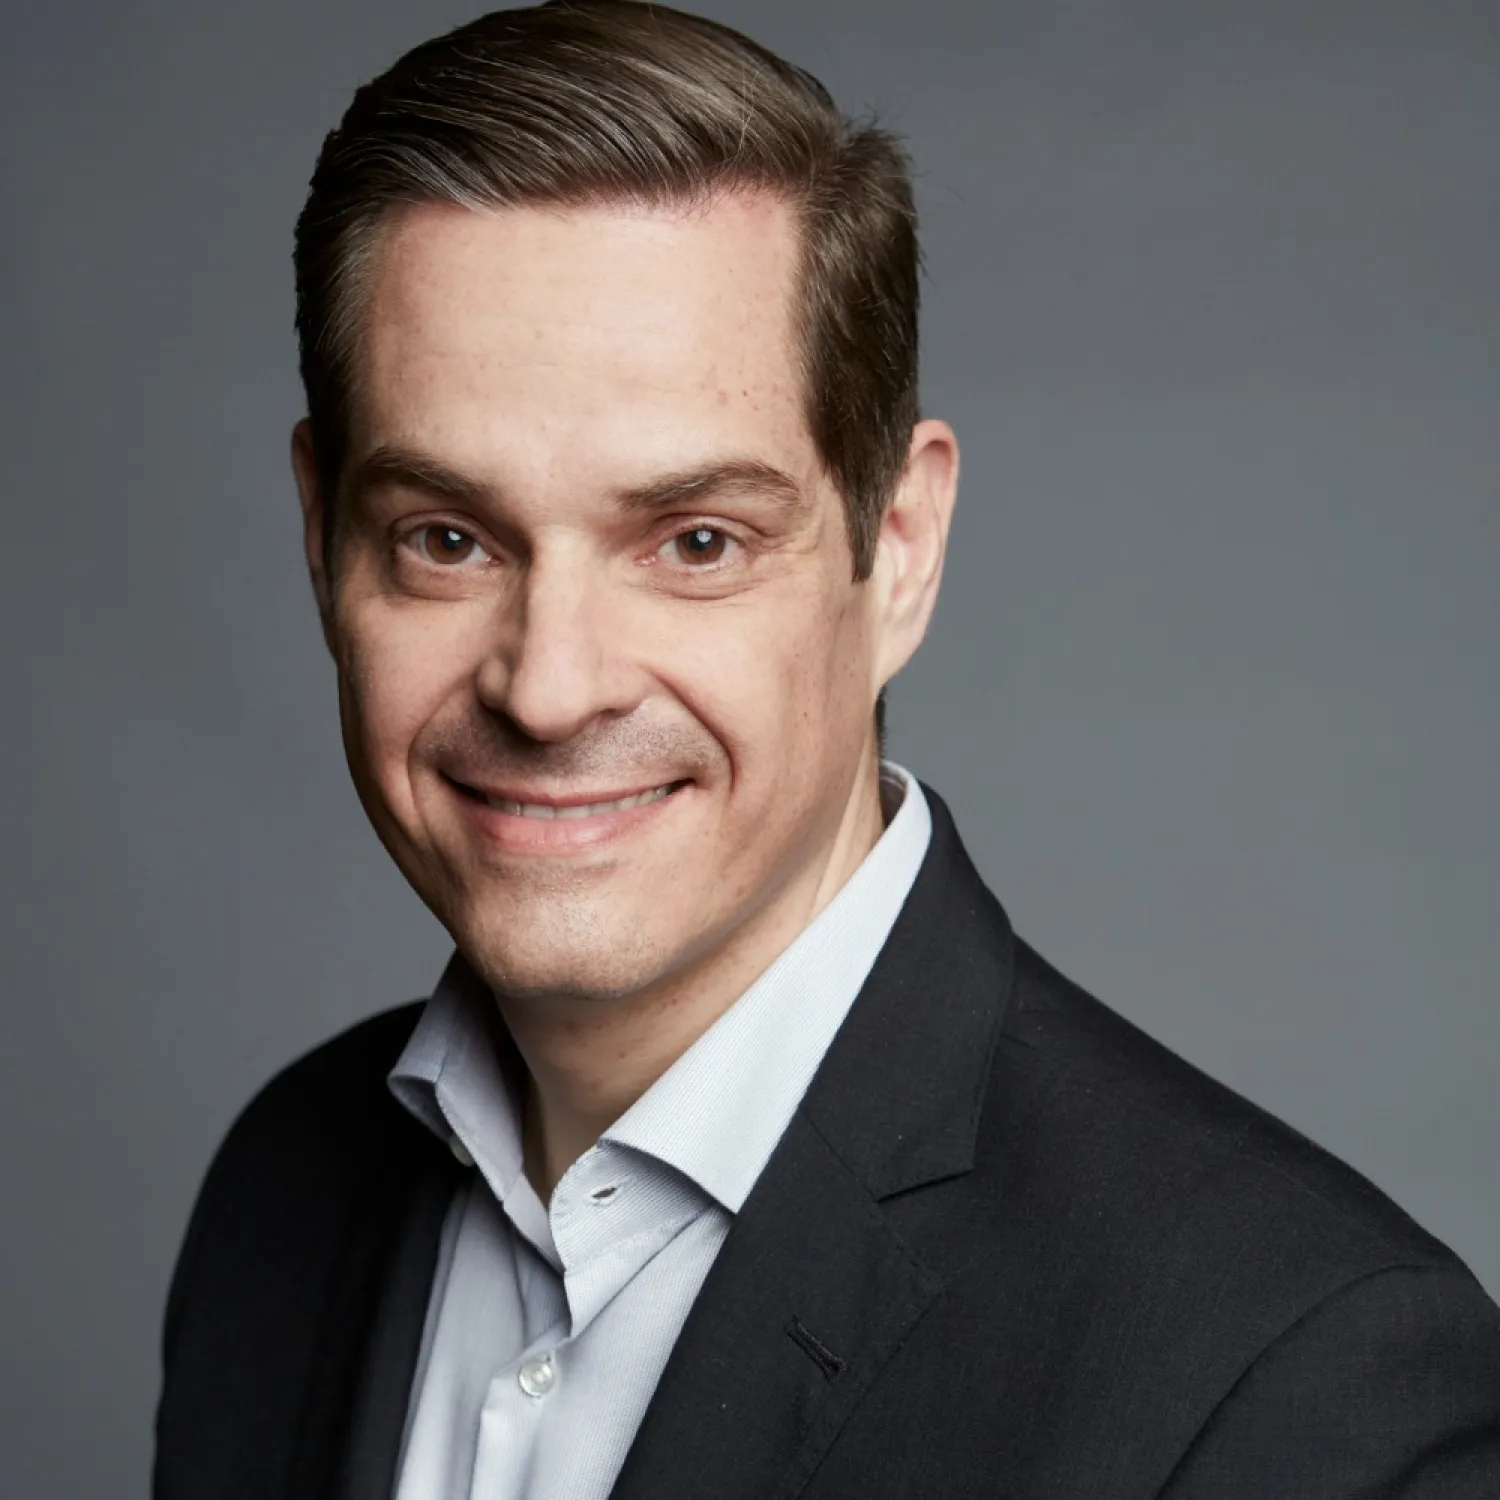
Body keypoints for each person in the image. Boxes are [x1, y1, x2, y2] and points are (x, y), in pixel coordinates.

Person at [152, 3, 1500, 1496]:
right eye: (448, 538)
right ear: (322, 539)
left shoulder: (1301, 1378)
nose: (549, 688)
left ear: (899, 548)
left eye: (696, 541)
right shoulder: (281, 1196)